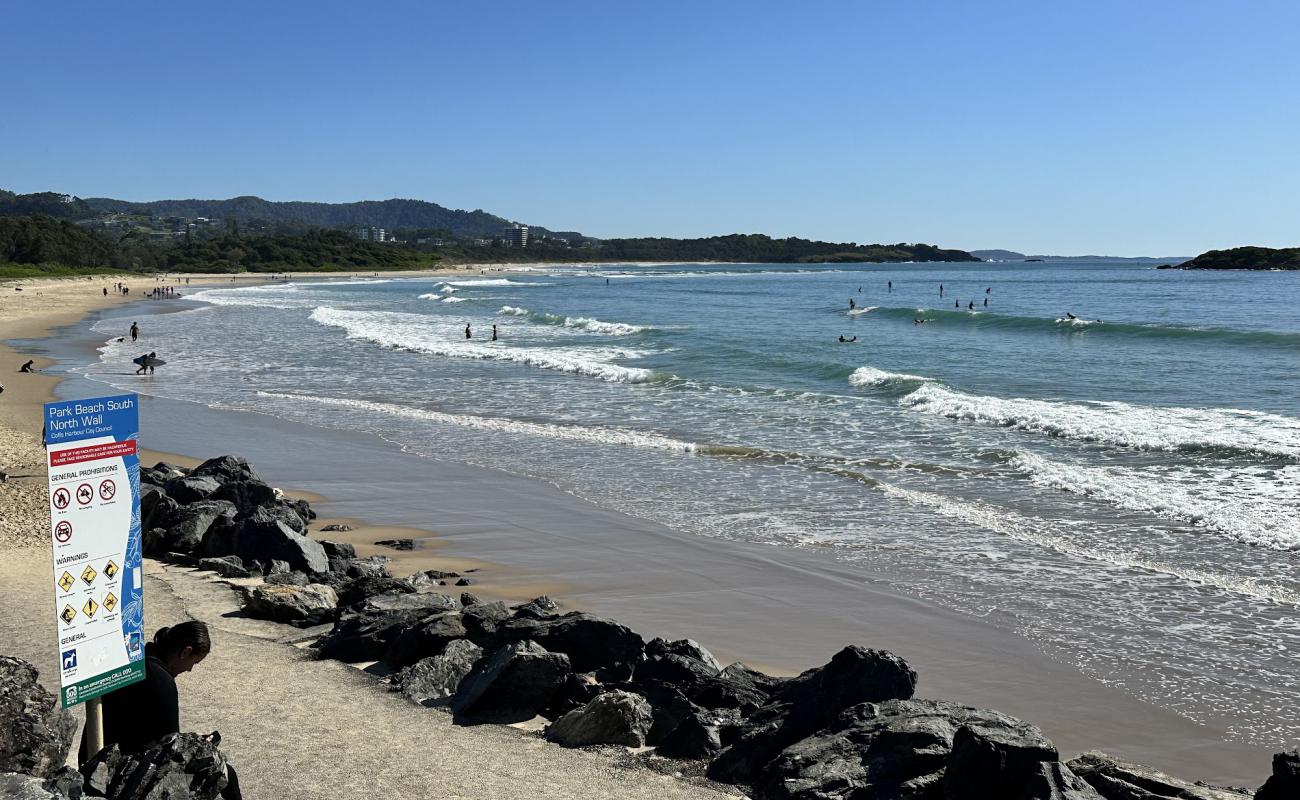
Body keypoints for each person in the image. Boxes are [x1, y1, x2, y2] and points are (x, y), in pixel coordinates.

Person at [79, 622, 242, 799]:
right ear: (185, 652)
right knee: (225, 773)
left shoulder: (138, 657)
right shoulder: (161, 680)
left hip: (94, 758)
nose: (189, 669)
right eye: (193, 662)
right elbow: (173, 748)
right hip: (120, 771)